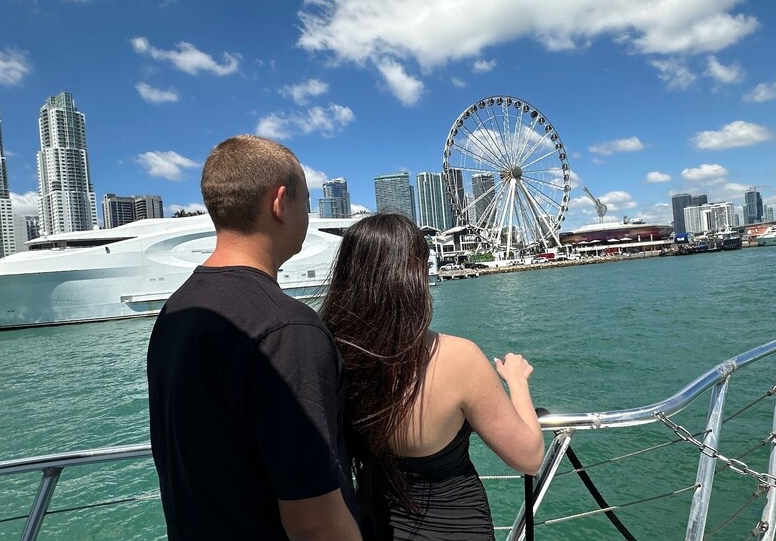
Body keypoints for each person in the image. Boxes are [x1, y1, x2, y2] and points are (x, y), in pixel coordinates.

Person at [147, 135, 361, 540]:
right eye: (306, 202)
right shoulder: (286, 329)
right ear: (280, 203)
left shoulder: (175, 312)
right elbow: (315, 523)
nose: (308, 216)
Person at [320, 213, 544, 539]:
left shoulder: (331, 355)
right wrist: (518, 383)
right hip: (459, 527)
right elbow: (529, 458)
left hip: (374, 527)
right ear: (416, 274)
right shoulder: (458, 357)